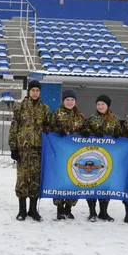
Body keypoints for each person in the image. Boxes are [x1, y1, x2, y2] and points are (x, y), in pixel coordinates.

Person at [8, 80, 50, 222]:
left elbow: (48, 129)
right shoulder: (20, 107)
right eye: (33, 90)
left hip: (38, 150)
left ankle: (33, 209)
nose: (35, 93)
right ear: (28, 91)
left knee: (35, 180)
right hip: (23, 150)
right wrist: (13, 147)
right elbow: (14, 128)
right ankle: (22, 210)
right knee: (22, 179)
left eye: (38, 90)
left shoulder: (44, 109)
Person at [50, 89, 88, 220]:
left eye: (72, 100)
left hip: (76, 154)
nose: (70, 102)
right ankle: (60, 208)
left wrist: (86, 133)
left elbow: (85, 129)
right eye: (67, 100)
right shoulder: (56, 114)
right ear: (63, 101)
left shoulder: (80, 116)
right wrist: (57, 131)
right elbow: (47, 130)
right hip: (60, 154)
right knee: (61, 180)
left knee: (74, 180)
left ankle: (68, 208)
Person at [85, 95, 121, 222]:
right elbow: (84, 134)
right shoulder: (91, 118)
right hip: (93, 156)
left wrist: (117, 136)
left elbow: (121, 135)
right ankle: (92, 211)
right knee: (92, 183)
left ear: (108, 106)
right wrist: (91, 134)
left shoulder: (115, 119)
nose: (100, 106)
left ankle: (104, 211)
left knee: (106, 183)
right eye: (98, 104)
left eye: (103, 104)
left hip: (108, 157)